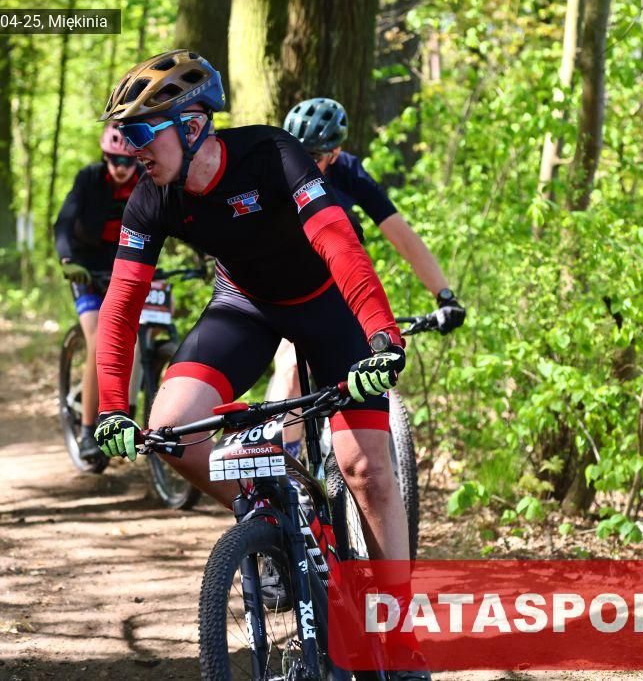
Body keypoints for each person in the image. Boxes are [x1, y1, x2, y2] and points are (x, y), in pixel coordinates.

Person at [92, 49, 429, 679]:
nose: (132, 151)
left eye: (141, 134)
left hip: (329, 306)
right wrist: (112, 406)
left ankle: (398, 632)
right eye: (125, 136)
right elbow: (120, 306)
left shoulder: (272, 153)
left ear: (193, 127)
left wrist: (383, 337)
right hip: (244, 306)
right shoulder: (151, 198)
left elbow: (338, 241)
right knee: (172, 432)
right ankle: (275, 523)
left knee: (366, 469)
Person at [270, 97, 466, 454]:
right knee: (292, 367)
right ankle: (288, 466)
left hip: (339, 284)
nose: (304, 162)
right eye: (298, 152)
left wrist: (444, 295)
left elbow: (402, 237)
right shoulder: (275, 173)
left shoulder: (348, 172)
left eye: (314, 156)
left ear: (335, 153)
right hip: (288, 285)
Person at [52, 123, 143, 464]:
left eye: (128, 161)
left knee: (135, 335)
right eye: (115, 160)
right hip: (85, 268)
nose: (122, 168)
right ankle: (89, 430)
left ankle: (128, 412)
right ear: (105, 158)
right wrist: (66, 260)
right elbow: (64, 222)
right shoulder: (89, 179)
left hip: (125, 265)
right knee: (98, 338)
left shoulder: (146, 180)